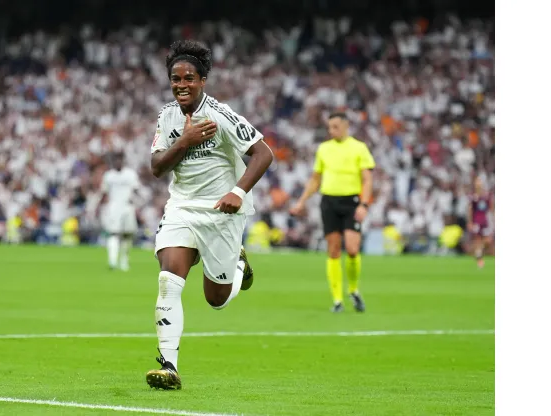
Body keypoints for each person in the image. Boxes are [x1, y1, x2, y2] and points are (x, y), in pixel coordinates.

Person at [144, 40, 274, 390]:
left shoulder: (221, 115)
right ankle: (168, 366)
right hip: (182, 208)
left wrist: (238, 191)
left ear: (202, 80)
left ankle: (237, 268)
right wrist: (183, 141)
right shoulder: (167, 116)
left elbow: (263, 154)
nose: (181, 85)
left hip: (221, 212)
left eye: (188, 78)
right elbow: (157, 167)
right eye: (175, 78)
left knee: (215, 299)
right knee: (169, 280)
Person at [289, 112, 375, 313]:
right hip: (329, 201)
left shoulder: (359, 148)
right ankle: (337, 300)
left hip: (351, 201)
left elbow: (367, 179)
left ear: (346, 126)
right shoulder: (324, 149)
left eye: (335, 126)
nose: (331, 130)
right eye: (329, 127)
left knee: (353, 249)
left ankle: (353, 289)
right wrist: (301, 201)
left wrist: (364, 204)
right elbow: (315, 179)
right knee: (333, 249)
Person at [96, 153, 141, 271]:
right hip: (114, 207)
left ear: (123, 161)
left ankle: (124, 261)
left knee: (127, 235)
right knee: (113, 233)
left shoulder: (130, 174)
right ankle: (112, 261)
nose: (118, 162)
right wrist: (97, 206)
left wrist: (139, 203)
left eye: (120, 160)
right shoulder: (109, 176)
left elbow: (136, 190)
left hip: (128, 207)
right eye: (116, 160)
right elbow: (104, 192)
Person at [467, 177, 494, 268]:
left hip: (485, 221)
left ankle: (479, 253)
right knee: (477, 240)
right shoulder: (473, 196)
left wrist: (492, 219)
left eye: (479, 183)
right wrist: (470, 222)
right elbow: (470, 210)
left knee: (488, 240)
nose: (478, 184)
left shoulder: (486, 196)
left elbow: (491, 208)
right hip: (476, 222)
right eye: (477, 183)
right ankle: (479, 260)